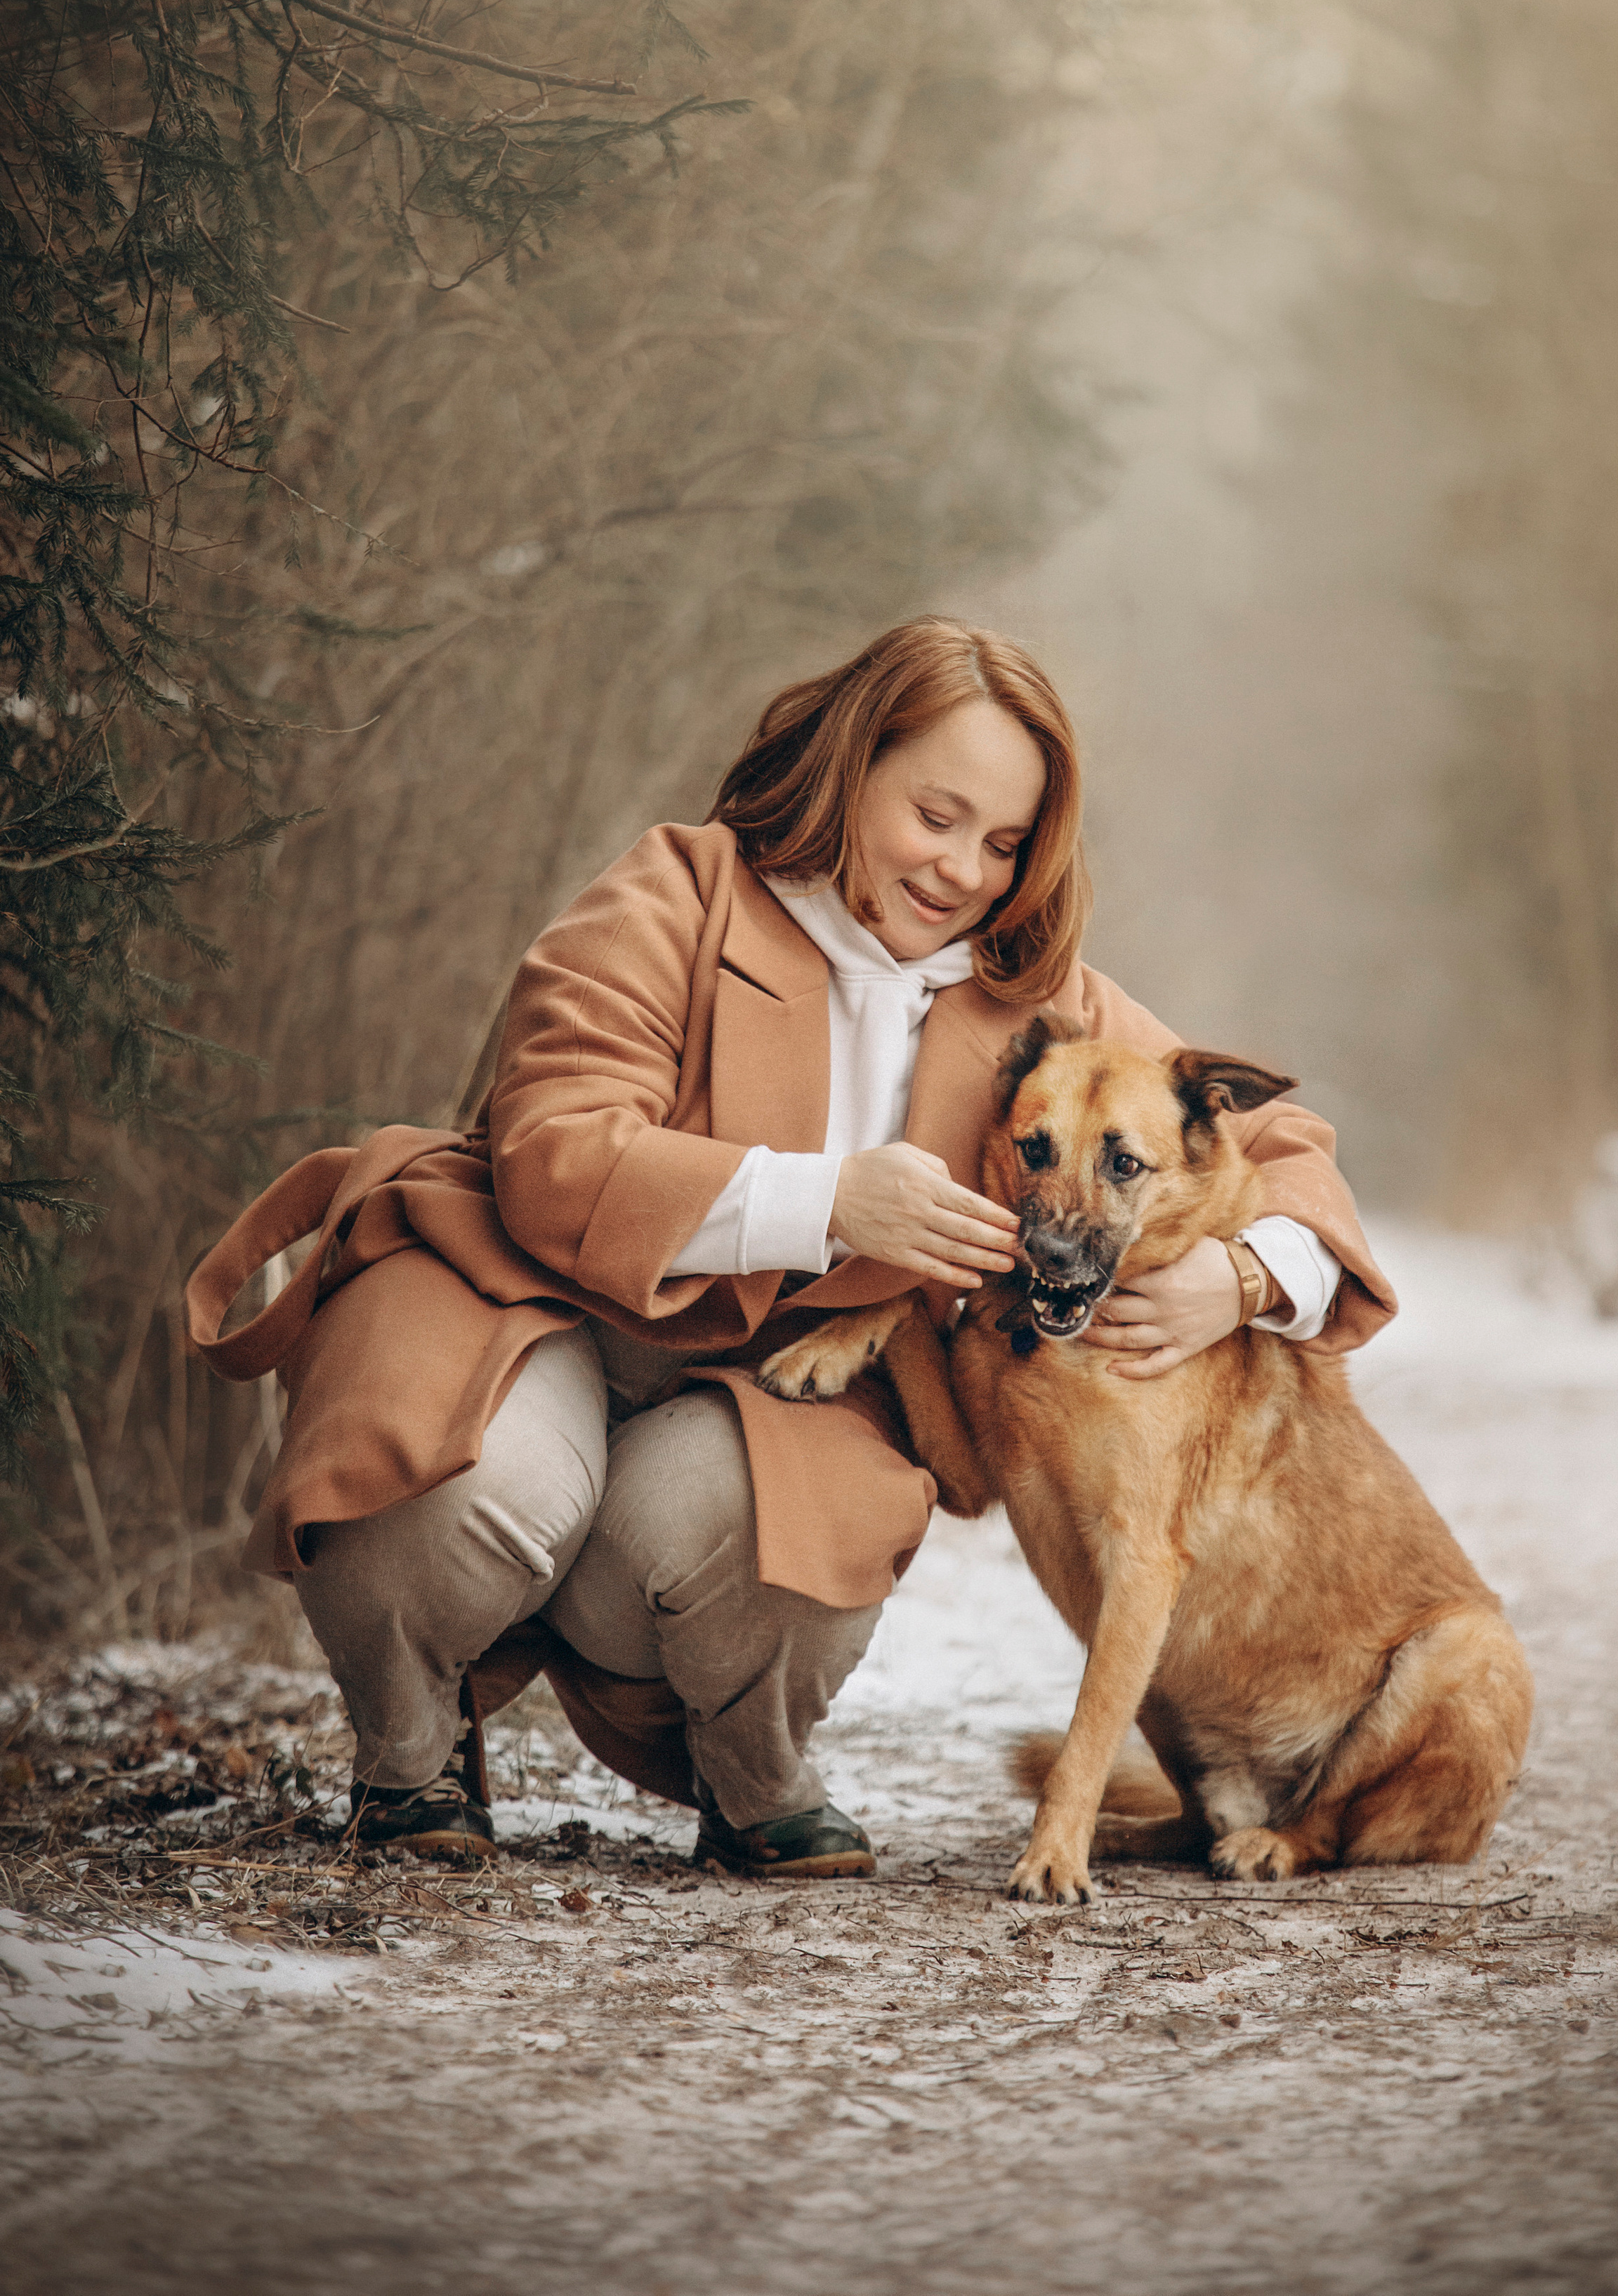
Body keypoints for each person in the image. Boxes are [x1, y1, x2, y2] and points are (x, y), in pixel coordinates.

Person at [188, 618, 1395, 1879]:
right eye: (936, 814)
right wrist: (825, 1202)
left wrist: (1241, 1277)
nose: (964, 871)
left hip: (742, 1386)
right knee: (471, 1479)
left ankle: (747, 1767)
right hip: (528, 1307)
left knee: (794, 1524)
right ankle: (410, 1750)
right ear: (852, 762)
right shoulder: (677, 893)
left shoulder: (1030, 997)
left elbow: (1283, 1143)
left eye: (1004, 843)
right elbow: (549, 1149)